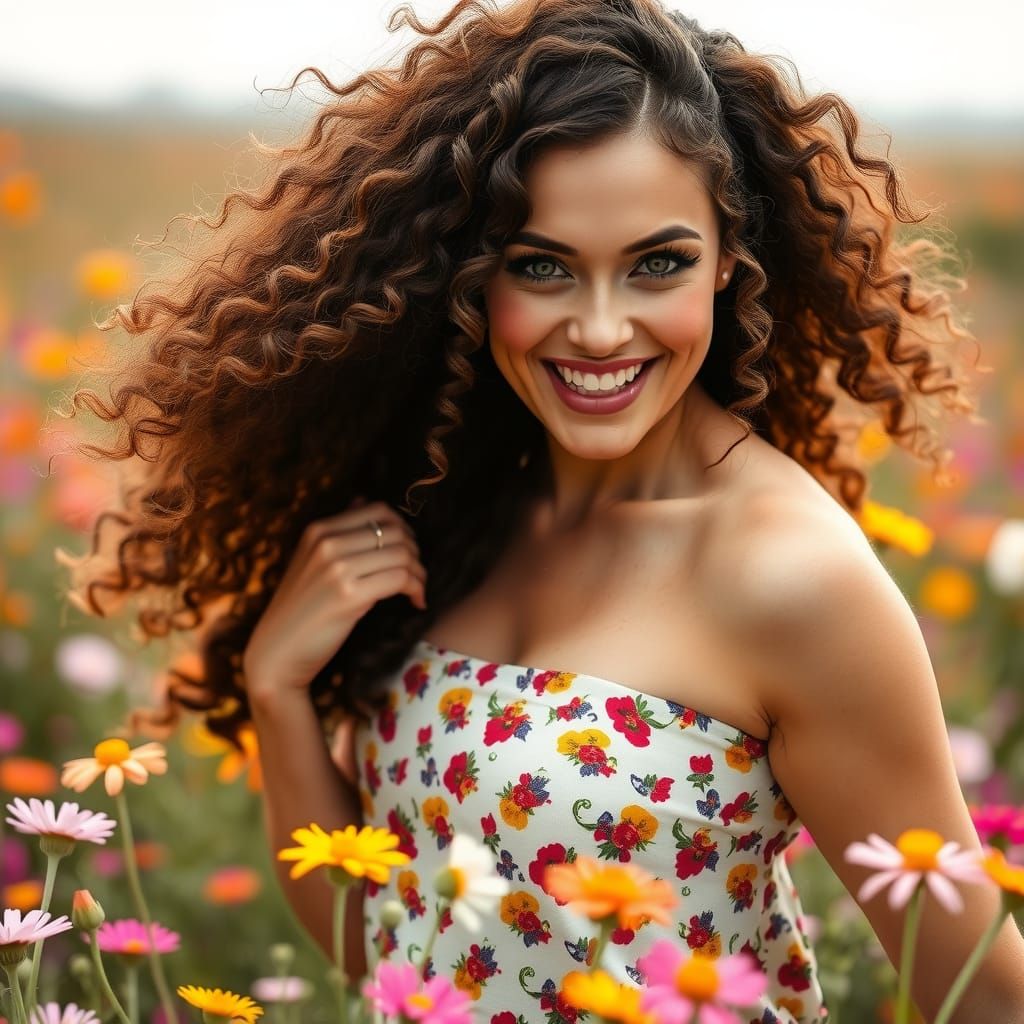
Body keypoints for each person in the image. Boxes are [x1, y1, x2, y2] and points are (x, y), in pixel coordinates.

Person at [57, 0, 1024, 1021]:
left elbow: (984, 999)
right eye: (542, 266)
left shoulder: (792, 577)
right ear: (472, 278)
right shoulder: (459, 505)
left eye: (658, 263)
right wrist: (279, 688)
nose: (600, 329)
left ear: (731, 260)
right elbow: (388, 950)